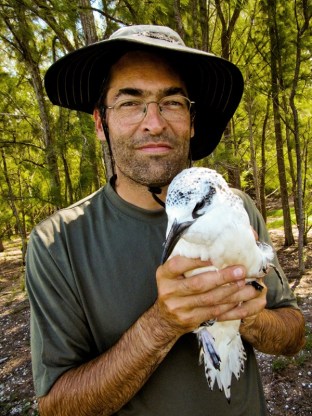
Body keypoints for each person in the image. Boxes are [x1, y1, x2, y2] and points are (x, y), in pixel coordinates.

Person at [26, 25, 305, 416]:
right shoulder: (58, 243)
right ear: (99, 123)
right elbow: (56, 406)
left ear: (191, 120)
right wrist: (161, 325)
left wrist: (249, 317)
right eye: (129, 103)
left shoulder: (237, 206)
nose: (153, 123)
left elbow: (293, 334)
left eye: (172, 103)